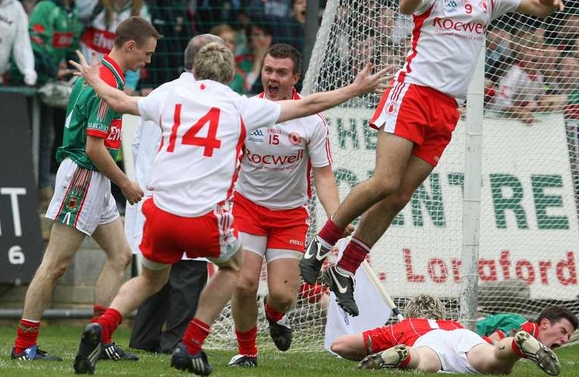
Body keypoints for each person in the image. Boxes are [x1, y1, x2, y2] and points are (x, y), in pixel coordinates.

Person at [69, 41, 390, 375]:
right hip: (209, 213)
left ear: (193, 70)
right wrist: (355, 89)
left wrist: (94, 79)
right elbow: (310, 103)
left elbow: (120, 100)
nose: (273, 77)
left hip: (161, 210)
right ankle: (194, 345)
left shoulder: (169, 95)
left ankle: (103, 326)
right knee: (237, 273)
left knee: (151, 280)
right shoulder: (240, 106)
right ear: (232, 74)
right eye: (269, 70)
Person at [299, 0, 566, 317]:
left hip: (446, 109)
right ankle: (321, 245)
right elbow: (408, 4)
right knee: (385, 181)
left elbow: (533, 8)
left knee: (399, 196)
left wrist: (547, 6)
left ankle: (345, 268)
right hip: (413, 94)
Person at [10, 17, 159, 361]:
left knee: (120, 255)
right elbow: (94, 147)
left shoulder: (103, 73)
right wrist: (126, 183)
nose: (148, 61)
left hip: (95, 178)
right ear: (130, 46)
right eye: (147, 54)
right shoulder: (106, 81)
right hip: (85, 174)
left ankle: (100, 339)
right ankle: (23, 345)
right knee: (55, 264)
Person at [228, 44, 353, 368]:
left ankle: (273, 314)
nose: (272, 77)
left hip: (289, 216)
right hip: (246, 209)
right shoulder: (247, 110)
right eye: (268, 70)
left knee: (284, 296)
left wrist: (336, 216)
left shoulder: (311, 121)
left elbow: (324, 176)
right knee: (243, 282)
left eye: (281, 72)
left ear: (295, 78)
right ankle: (246, 352)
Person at [127, 35, 222, 354]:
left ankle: (143, 338)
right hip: (182, 197)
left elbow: (138, 144)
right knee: (189, 272)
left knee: (156, 274)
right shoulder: (202, 100)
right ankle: (178, 342)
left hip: (149, 197)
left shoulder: (161, 93)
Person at [8, 0, 88, 211]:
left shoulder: (71, 12)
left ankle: (46, 188)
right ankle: (37, 190)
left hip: (54, 80)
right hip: (31, 80)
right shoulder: (46, 8)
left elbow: (67, 46)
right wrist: (53, 70)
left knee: (51, 135)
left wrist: (69, 68)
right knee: (39, 135)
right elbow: (34, 43)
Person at [332, 294, 561, 376]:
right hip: (464, 336)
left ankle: (403, 355)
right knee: (493, 359)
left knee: (423, 360)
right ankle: (515, 346)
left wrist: (374, 348)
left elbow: (340, 346)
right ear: (440, 312)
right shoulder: (451, 323)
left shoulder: (403, 326)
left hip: (426, 343)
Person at [78, 0, 150, 94]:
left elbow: (140, 49)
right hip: (86, 77)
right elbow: (74, 22)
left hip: (116, 83)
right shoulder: (95, 1)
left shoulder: (141, 11)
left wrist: (130, 84)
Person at [476, 306, 578, 349]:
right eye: (563, 331)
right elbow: (487, 347)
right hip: (463, 331)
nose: (565, 340)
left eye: (568, 336)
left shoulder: (529, 341)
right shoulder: (520, 327)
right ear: (545, 324)